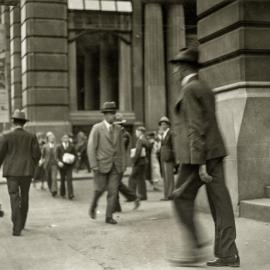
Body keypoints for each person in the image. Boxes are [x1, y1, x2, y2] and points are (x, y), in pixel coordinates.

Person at [170, 47, 240, 267]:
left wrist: (200, 164)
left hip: (197, 157)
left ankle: (193, 250)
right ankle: (228, 254)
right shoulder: (204, 87)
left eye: (177, 67)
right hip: (213, 153)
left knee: (180, 199)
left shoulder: (190, 89)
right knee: (221, 204)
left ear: (183, 68)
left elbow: (195, 127)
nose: (174, 72)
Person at [0, 109, 41, 236]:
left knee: (14, 197)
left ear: (13, 122)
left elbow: (0, 154)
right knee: (24, 198)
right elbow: (37, 155)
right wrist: (32, 165)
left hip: (11, 172)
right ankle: (22, 224)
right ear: (24, 123)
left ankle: (16, 227)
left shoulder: (6, 136)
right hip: (26, 172)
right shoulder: (31, 136)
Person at [87, 101, 126, 225]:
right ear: (105, 115)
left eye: (114, 113)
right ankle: (93, 206)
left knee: (113, 192)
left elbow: (121, 149)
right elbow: (91, 147)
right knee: (99, 189)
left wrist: (123, 164)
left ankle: (109, 216)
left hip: (116, 166)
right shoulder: (97, 128)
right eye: (110, 114)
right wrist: (94, 165)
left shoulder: (118, 129)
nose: (113, 116)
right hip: (101, 165)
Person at [113, 112, 140, 213]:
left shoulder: (125, 135)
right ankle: (117, 206)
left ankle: (132, 198)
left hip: (121, 163)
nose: (116, 126)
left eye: (118, 124)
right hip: (114, 162)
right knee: (115, 184)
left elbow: (118, 147)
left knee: (115, 184)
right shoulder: (116, 134)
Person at [128, 126, 149, 200]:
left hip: (139, 162)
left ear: (140, 132)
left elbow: (138, 152)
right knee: (141, 179)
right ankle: (143, 196)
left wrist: (134, 161)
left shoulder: (140, 140)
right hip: (143, 161)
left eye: (136, 132)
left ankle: (131, 196)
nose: (135, 133)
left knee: (132, 178)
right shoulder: (145, 139)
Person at [159, 116, 176, 200]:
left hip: (169, 157)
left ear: (168, 125)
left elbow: (174, 146)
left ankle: (170, 194)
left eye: (164, 124)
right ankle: (166, 194)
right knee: (165, 177)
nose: (162, 126)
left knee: (169, 176)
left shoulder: (171, 133)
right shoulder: (163, 134)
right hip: (163, 157)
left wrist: (173, 157)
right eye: (161, 124)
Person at [57, 134, 76, 200]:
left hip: (69, 166)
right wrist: (58, 162)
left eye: (67, 138)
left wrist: (73, 160)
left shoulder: (72, 146)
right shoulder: (59, 147)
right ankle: (62, 193)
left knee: (69, 179)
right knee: (62, 180)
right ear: (62, 139)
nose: (65, 139)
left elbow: (75, 155)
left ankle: (70, 194)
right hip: (62, 166)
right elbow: (56, 156)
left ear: (68, 139)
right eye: (64, 138)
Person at [41, 132, 59, 197]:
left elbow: (59, 155)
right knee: (48, 178)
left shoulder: (57, 146)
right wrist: (41, 160)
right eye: (50, 138)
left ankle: (54, 190)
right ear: (48, 139)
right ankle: (50, 187)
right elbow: (42, 155)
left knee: (54, 178)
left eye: (53, 138)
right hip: (47, 164)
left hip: (54, 163)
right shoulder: (45, 146)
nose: (52, 139)